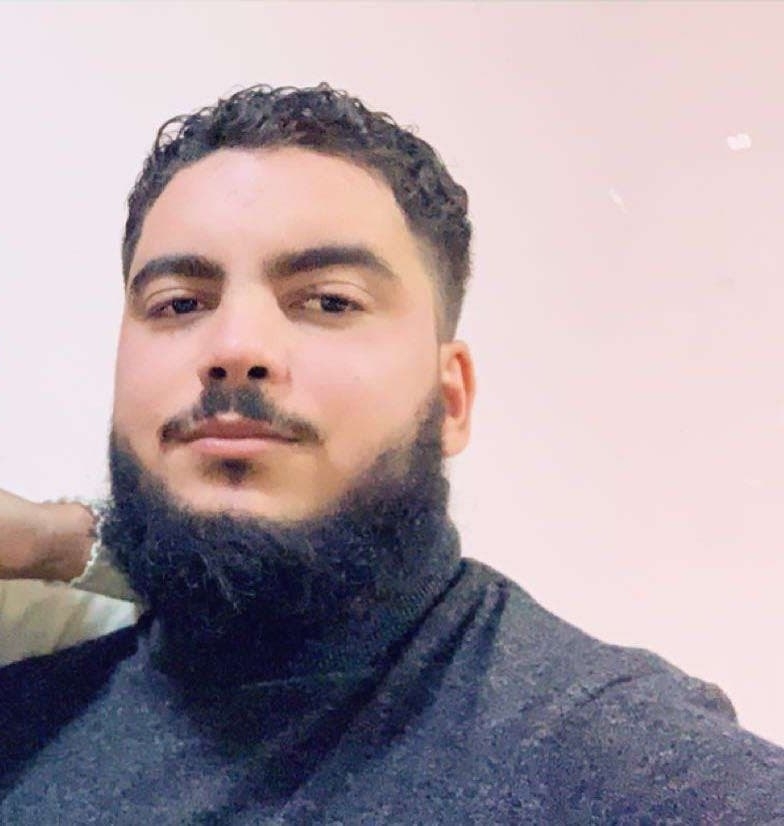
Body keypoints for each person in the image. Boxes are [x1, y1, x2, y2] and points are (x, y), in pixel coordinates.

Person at [1, 83, 782, 824]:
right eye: (179, 304)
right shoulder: (25, 721)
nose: (235, 347)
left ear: (450, 400)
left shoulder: (610, 758)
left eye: (329, 301)